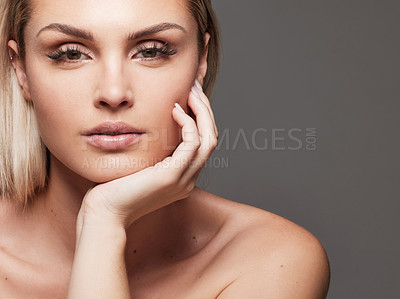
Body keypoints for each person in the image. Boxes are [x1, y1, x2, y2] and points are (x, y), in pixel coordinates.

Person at [0, 0, 330, 298]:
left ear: (201, 61)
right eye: (71, 53)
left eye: (151, 51)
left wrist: (103, 222)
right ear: (21, 70)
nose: (114, 93)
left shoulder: (271, 260)